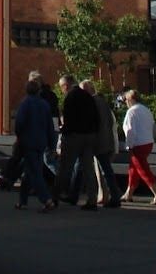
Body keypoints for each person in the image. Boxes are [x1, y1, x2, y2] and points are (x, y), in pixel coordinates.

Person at [54, 74, 101, 209]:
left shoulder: (70, 97)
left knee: (65, 167)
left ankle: (54, 197)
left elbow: (68, 120)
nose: (62, 90)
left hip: (74, 136)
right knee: (88, 168)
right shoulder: (87, 96)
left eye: (61, 87)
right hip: (89, 135)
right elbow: (96, 117)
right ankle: (92, 200)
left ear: (66, 85)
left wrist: (64, 133)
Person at [12, 78, 57, 211]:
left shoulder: (25, 104)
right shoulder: (44, 105)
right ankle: (23, 201)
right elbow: (50, 127)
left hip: (28, 142)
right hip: (41, 142)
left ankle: (46, 200)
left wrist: (19, 138)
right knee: (29, 171)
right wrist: (52, 145)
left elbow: (19, 123)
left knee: (34, 172)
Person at [81, 79, 122, 208]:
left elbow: (91, 122)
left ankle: (111, 196)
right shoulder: (102, 102)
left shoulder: (92, 102)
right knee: (105, 170)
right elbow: (109, 122)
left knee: (100, 170)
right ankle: (112, 195)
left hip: (97, 141)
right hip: (105, 140)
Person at [121, 89, 156, 204]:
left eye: (126, 100)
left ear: (131, 99)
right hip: (148, 142)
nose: (126, 102)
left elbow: (130, 131)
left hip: (138, 144)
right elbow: (153, 127)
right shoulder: (146, 110)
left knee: (143, 169)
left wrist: (129, 146)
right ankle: (128, 193)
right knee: (134, 168)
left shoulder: (131, 112)